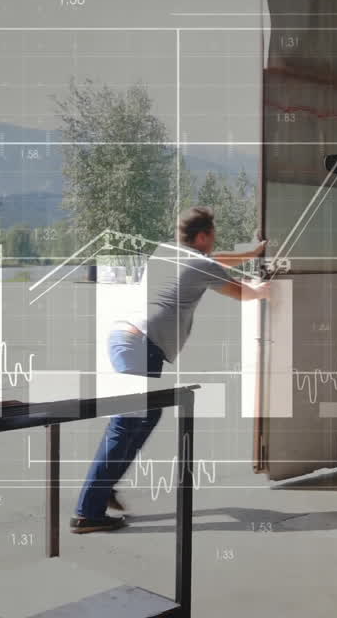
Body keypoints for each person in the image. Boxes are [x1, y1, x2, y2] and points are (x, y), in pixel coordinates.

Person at [71, 207, 268, 533]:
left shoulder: (167, 251)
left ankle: (102, 492)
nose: (213, 241)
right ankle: (87, 513)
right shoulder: (200, 263)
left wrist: (251, 253)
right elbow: (242, 292)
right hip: (139, 344)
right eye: (212, 235)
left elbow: (215, 262)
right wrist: (267, 291)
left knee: (147, 416)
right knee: (126, 422)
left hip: (129, 339)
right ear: (202, 236)